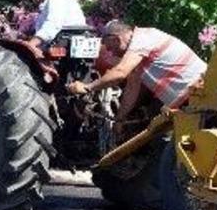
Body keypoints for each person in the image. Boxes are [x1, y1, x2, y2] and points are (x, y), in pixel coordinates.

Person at [66, 21, 206, 129]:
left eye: (110, 48)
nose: (112, 53)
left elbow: (120, 73)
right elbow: (132, 88)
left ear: (116, 39)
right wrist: (119, 120)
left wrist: (87, 87)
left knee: (167, 150)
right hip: (189, 100)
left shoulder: (142, 39)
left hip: (200, 93)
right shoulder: (137, 52)